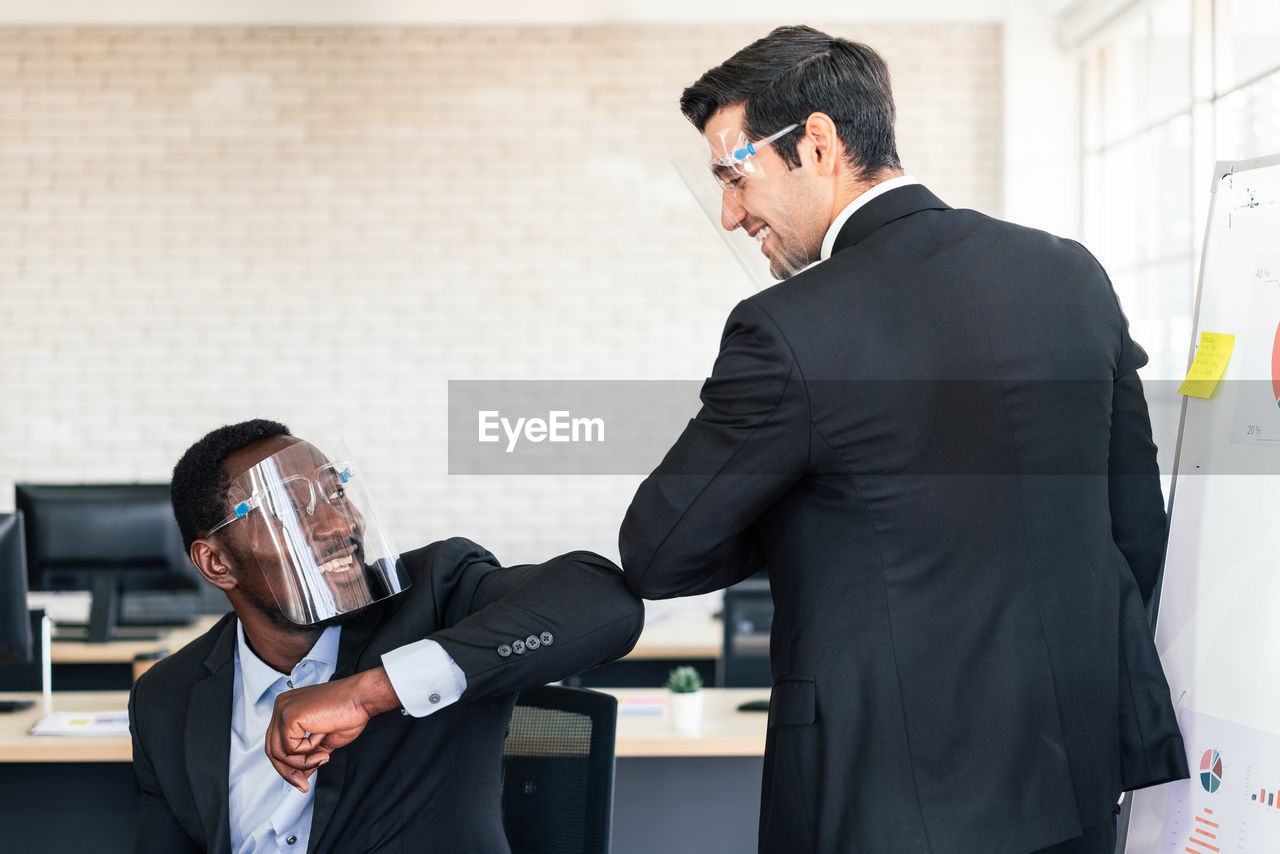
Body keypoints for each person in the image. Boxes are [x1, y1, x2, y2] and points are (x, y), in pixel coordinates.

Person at [620, 25, 1188, 854]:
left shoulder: (788, 329)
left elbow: (660, 550)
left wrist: (808, 496)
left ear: (816, 144)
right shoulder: (1070, 274)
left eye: (733, 174)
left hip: (884, 802)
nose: (731, 213)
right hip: (1077, 783)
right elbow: (1135, 525)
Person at [129, 419, 644, 853]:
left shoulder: (439, 593)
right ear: (217, 563)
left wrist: (369, 693)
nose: (338, 523)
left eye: (335, 492)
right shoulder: (164, 697)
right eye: (291, 510)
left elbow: (605, 602)